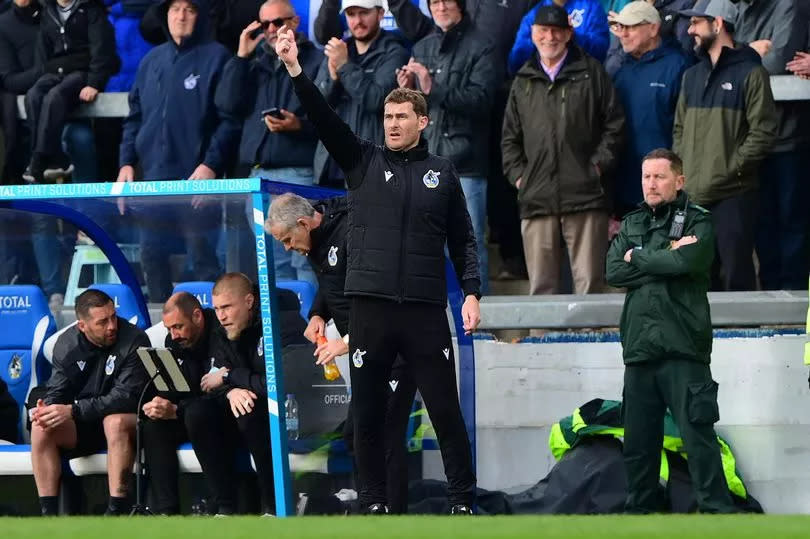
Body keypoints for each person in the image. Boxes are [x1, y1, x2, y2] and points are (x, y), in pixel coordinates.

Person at [277, 25, 481, 514]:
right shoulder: (362, 162)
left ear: (423, 121)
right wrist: (295, 71)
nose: (392, 124)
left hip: (424, 310)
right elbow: (325, 120)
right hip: (370, 310)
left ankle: (461, 502)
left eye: (401, 116)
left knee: (444, 410)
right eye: (387, 116)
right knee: (366, 414)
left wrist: (472, 292)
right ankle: (373, 504)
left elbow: (463, 240)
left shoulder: (443, 174)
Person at [265, 193, 417, 514]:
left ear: (304, 223)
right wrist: (319, 314)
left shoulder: (353, 234)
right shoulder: (316, 241)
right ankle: (373, 505)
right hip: (367, 357)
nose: (287, 248)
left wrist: (345, 341)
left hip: (395, 354)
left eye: (288, 239)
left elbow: (379, 301)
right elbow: (332, 284)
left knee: (385, 437)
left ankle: (394, 517)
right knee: (355, 435)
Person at [606, 148, 737, 514]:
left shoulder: (699, 220)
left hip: (683, 347)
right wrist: (668, 255)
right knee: (638, 444)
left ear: (679, 181)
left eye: (660, 177)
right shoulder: (631, 221)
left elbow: (689, 260)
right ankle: (641, 514)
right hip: (640, 350)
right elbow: (614, 271)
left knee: (698, 439)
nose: (651, 183)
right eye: (647, 176)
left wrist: (641, 257)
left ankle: (718, 514)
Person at [117, 0, 238, 302]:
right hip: (153, 183)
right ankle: (161, 332)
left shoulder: (218, 57)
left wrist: (210, 166)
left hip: (196, 183)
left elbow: (229, 121)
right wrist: (126, 163)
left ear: (200, 16)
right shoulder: (151, 61)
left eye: (189, 9)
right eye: (174, 9)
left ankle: (214, 331)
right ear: (165, 16)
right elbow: (134, 118)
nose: (181, 16)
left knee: (203, 261)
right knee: (151, 258)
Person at [501, 4, 625, 296]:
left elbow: (615, 125)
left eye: (557, 31)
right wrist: (521, 177)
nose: (550, 38)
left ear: (569, 34)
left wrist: (596, 167)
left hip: (585, 194)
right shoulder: (523, 80)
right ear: (533, 34)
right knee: (541, 289)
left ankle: (589, 342)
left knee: (590, 286)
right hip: (537, 196)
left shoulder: (592, 73)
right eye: (543, 31)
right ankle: (540, 343)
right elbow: (509, 138)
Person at [673, 0, 777, 291]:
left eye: (696, 22)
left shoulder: (752, 74)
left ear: (718, 24)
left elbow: (763, 133)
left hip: (735, 195)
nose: (690, 29)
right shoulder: (690, 76)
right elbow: (679, 129)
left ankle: (742, 338)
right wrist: (687, 172)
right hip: (694, 195)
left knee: (736, 278)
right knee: (698, 279)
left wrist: (731, 169)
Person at [216, 0, 321, 287]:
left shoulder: (314, 59)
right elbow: (226, 104)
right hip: (257, 177)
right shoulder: (253, 62)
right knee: (273, 262)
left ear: (296, 22)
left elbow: (331, 119)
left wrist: (298, 126)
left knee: (304, 258)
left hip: (298, 173)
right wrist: (240, 56)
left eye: (278, 22)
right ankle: (288, 330)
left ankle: (312, 327)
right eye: (265, 25)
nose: (272, 29)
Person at [396, 0, 497, 293]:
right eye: (433, 2)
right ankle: (440, 320)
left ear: (461, 5)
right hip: (425, 162)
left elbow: (482, 101)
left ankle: (478, 317)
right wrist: (409, 89)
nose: (440, 6)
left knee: (469, 243)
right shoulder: (423, 45)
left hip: (465, 164)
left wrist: (432, 88)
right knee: (426, 246)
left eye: (446, 0)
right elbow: (417, 109)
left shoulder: (483, 45)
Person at [29, 289, 150, 516]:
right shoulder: (67, 343)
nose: (112, 325)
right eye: (102, 322)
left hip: (126, 423)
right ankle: (48, 515)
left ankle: (116, 509)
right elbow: (58, 388)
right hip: (85, 420)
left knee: (113, 422)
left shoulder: (134, 339)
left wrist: (73, 410)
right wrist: (49, 408)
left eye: (113, 317)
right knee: (41, 426)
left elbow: (124, 398)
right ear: (82, 326)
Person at [199, 272, 307, 515]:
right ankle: (224, 508)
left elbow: (279, 385)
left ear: (249, 302)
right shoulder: (221, 328)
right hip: (242, 412)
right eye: (216, 309)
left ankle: (275, 506)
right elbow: (209, 382)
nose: (221, 316)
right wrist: (230, 392)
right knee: (198, 412)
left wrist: (230, 377)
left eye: (227, 307)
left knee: (252, 411)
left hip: (292, 413)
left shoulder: (284, 323)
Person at [732, 0, 810, 291]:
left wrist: (743, 54)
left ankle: (791, 294)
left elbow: (778, 62)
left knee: (791, 221)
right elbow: (723, 59)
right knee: (762, 222)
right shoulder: (740, 8)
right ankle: (771, 291)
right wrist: (752, 52)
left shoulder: (790, 5)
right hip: (754, 137)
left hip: (790, 136)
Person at [141, 292, 227, 515]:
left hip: (225, 414)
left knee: (198, 413)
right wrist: (162, 403)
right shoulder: (175, 341)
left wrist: (178, 410)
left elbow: (220, 393)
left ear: (197, 316)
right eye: (169, 329)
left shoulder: (222, 334)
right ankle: (166, 511)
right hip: (191, 412)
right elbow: (181, 390)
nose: (174, 335)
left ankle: (223, 504)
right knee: (154, 424)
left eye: (178, 326)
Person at [312, 0, 409, 187]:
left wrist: (344, 67)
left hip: (370, 165)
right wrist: (332, 79)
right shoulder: (338, 51)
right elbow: (315, 109)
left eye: (364, 13)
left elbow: (377, 100)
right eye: (351, 14)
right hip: (330, 165)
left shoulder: (395, 53)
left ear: (380, 14)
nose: (357, 20)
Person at [23, 0, 120, 183]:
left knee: (54, 96)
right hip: (56, 72)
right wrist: (44, 73)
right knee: (33, 95)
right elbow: (43, 52)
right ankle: (55, 159)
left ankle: (38, 161)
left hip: (82, 73)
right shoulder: (47, 11)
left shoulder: (91, 9)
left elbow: (102, 50)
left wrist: (94, 82)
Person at [610, 1, 691, 216]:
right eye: (620, 28)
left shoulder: (679, 66)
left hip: (666, 187)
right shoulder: (616, 70)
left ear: (653, 28)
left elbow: (687, 128)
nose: (623, 34)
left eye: (631, 27)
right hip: (624, 187)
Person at [508, 0, 611, 75]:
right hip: (542, 87)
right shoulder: (534, 15)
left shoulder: (592, 7)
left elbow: (601, 52)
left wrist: (573, 37)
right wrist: (537, 37)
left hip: (582, 84)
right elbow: (516, 63)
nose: (550, 36)